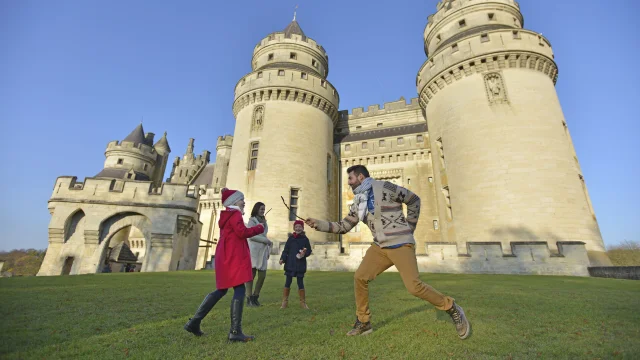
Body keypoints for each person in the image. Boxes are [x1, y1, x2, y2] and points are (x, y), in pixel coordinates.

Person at [305, 165, 471, 339]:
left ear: (361, 177)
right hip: (380, 247)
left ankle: (451, 307)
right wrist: (318, 224)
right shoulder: (358, 202)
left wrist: (409, 228)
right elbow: (343, 226)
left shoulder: (386, 187)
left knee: (414, 287)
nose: (348, 183)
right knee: (360, 277)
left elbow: (414, 200)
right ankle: (364, 322)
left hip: (401, 244)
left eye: (351, 179)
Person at [184, 187, 264, 342]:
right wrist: (258, 228)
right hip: (233, 256)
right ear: (234, 201)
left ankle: (194, 322)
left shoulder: (228, 215)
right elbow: (242, 232)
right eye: (242, 199)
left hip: (226, 255)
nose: (244, 202)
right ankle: (235, 331)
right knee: (239, 289)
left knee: (221, 290)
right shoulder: (235, 214)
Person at [279, 220, 312, 310]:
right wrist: (282, 259)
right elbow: (286, 250)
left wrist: (304, 253)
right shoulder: (290, 239)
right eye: (296, 227)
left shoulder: (305, 239)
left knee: (300, 283)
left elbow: (309, 250)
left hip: (300, 264)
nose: (298, 228)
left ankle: (303, 303)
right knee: (287, 282)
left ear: (302, 228)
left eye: (300, 227)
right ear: (294, 228)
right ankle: (284, 302)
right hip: (290, 263)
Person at [245, 202, 273, 307]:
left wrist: (268, 249)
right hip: (254, 250)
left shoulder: (264, 221)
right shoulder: (252, 221)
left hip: (263, 251)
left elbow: (264, 234)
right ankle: (249, 298)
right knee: (251, 275)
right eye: (261, 209)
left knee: (262, 275)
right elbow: (251, 236)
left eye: (264, 209)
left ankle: (255, 296)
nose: (263, 211)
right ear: (256, 209)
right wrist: (265, 240)